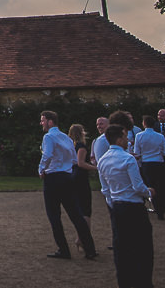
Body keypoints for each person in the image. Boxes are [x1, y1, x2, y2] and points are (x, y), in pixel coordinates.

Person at [98, 124, 154, 288]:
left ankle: (124, 282)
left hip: (117, 206)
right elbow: (137, 186)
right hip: (134, 207)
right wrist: (149, 192)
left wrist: (113, 203)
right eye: (125, 136)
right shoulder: (128, 158)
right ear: (119, 138)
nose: (128, 140)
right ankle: (144, 282)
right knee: (143, 247)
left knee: (121, 248)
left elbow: (105, 189)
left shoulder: (103, 160)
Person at [38, 110, 97, 260]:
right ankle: (90, 249)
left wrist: (41, 169)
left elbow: (47, 154)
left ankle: (63, 250)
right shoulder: (66, 138)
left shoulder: (49, 136)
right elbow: (73, 160)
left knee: (54, 216)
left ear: (50, 121)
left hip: (53, 179)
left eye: (43, 120)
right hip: (67, 178)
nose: (41, 123)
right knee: (76, 214)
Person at [135, 116, 165, 220]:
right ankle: (164, 208)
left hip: (147, 164)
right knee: (161, 187)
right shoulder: (160, 136)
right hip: (159, 163)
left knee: (151, 187)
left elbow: (137, 153)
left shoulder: (139, 136)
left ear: (144, 124)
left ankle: (158, 210)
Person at [69, 123, 96, 251]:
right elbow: (81, 163)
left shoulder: (70, 146)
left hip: (72, 176)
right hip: (80, 178)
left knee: (79, 207)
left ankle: (81, 237)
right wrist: (97, 168)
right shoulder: (81, 146)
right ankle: (83, 238)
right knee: (86, 210)